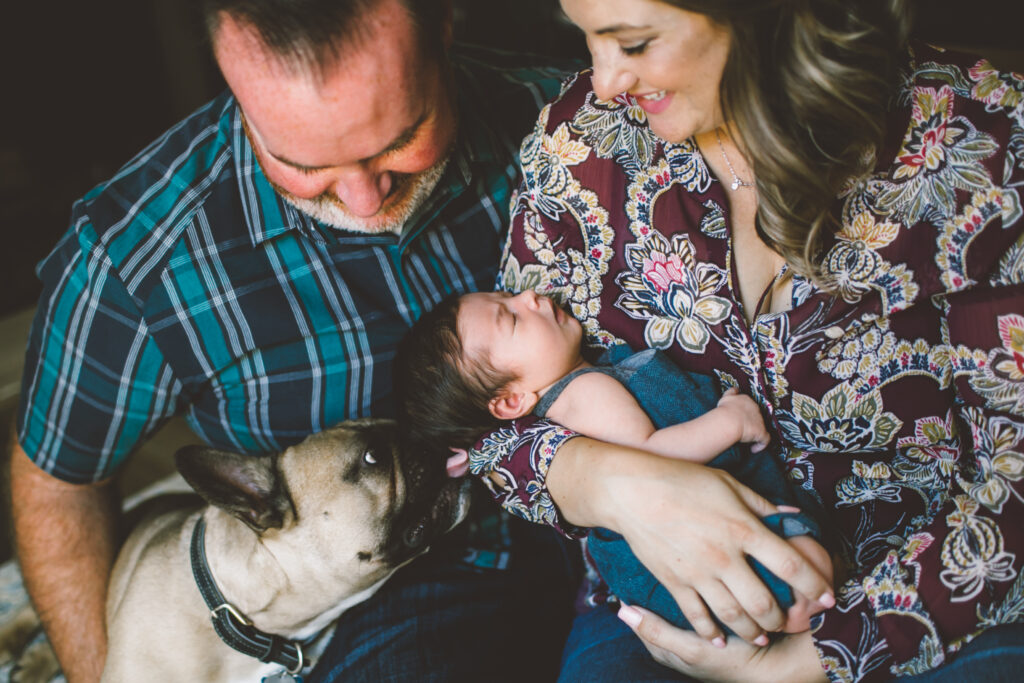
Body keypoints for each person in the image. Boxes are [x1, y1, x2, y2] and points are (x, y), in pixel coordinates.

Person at [8, 1, 579, 681]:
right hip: (403, 592)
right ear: (231, 81)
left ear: (445, 24)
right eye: (300, 161)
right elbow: (60, 485)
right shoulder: (138, 260)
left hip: (619, 509)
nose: (364, 198)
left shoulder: (566, 118)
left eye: (400, 138)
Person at [465, 0, 1024, 681]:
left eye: (633, 43)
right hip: (670, 608)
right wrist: (613, 483)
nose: (604, 79)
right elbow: (485, 419)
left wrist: (814, 659)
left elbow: (1014, 482)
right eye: (586, 40)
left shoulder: (976, 141)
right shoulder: (585, 137)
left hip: (932, 609)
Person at [395, 287, 834, 634]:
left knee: (805, 566)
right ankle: (792, 618)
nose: (527, 297)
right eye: (510, 316)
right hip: (682, 554)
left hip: (682, 554)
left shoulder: (583, 386)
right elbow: (652, 460)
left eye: (507, 296)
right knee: (806, 564)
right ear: (511, 401)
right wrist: (730, 423)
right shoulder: (584, 393)